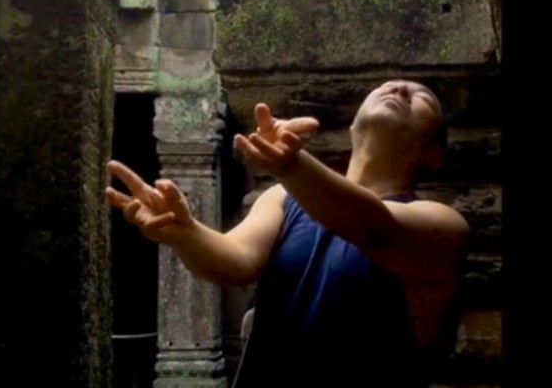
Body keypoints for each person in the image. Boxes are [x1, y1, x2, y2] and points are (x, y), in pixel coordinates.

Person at [106, 81, 469, 388]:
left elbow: (374, 229)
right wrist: (183, 233)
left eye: (423, 97)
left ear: (433, 155)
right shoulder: (282, 197)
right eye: (384, 86)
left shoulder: (444, 224)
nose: (400, 87)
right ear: (352, 127)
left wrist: (291, 165)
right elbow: (235, 262)